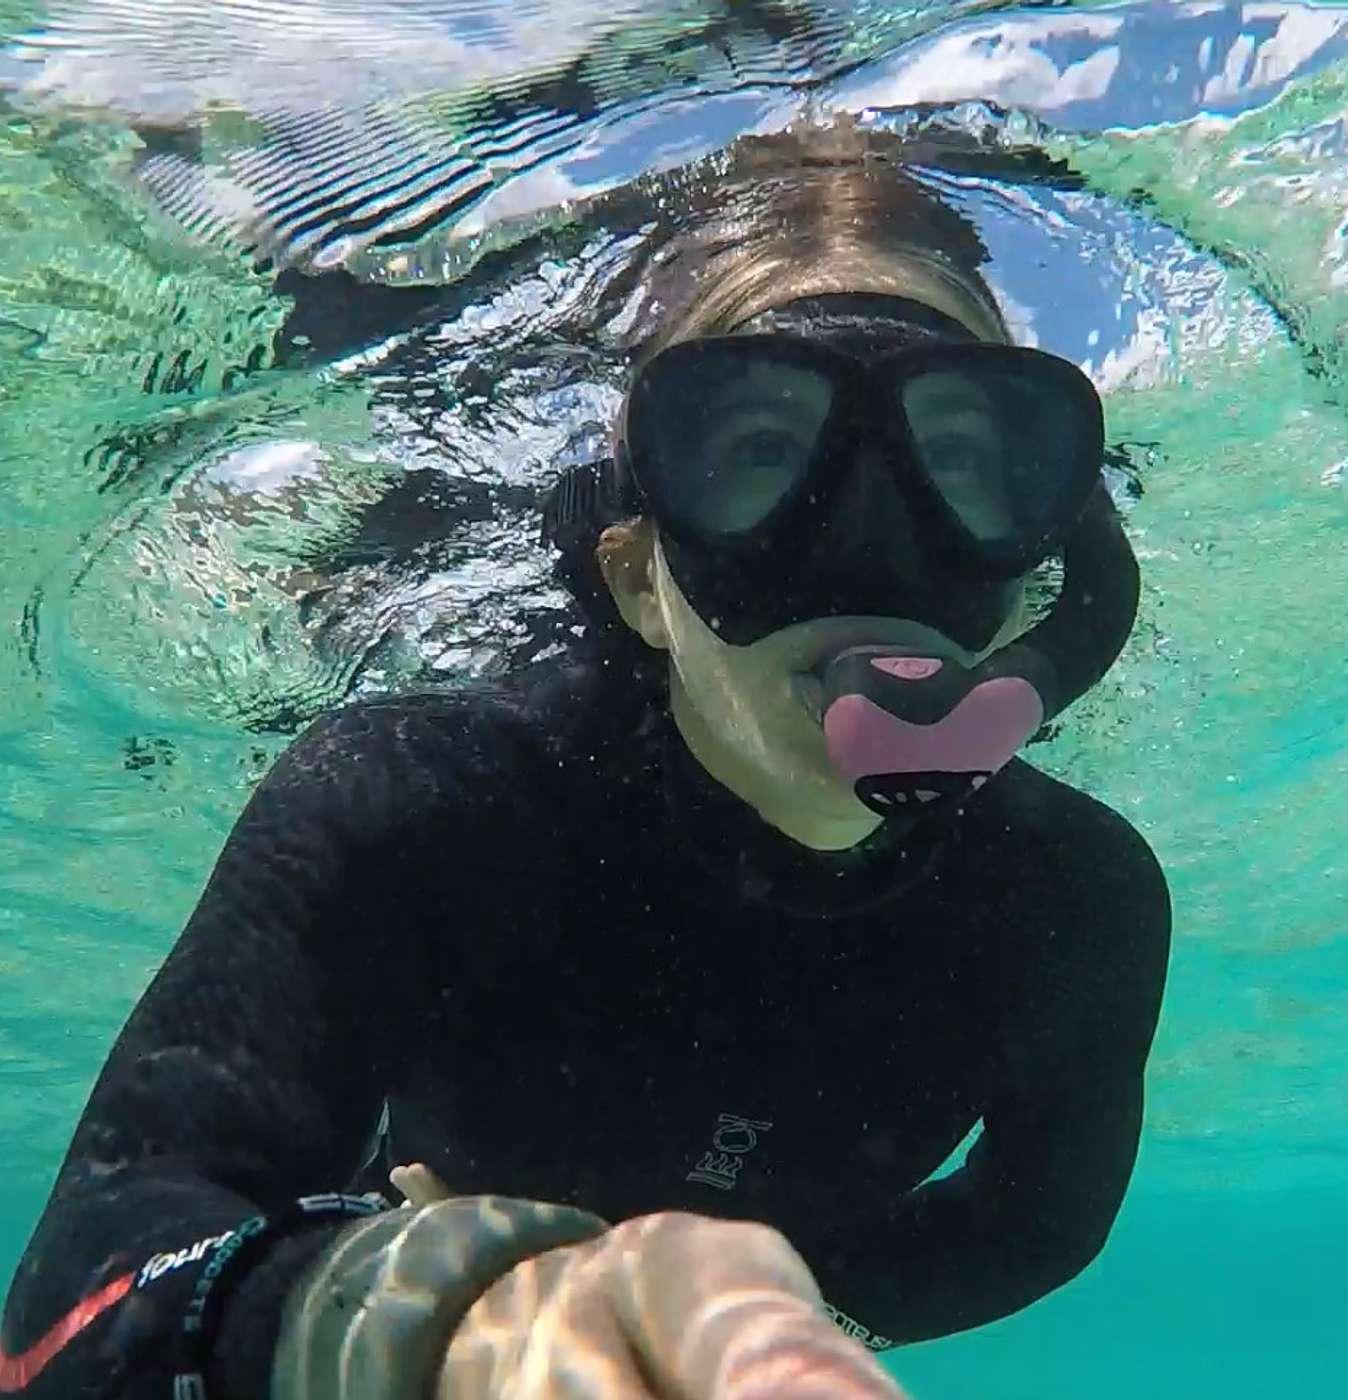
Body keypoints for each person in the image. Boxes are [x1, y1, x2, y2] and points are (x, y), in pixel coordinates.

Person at [0, 127, 1171, 1400]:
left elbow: (1033, 1222)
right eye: (760, 455)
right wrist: (421, 1315)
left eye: (960, 460)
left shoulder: (1072, 899)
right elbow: (78, 1299)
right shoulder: (421, 805)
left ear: (1037, 582)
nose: (875, 549)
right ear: (636, 579)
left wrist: (774, 1315)